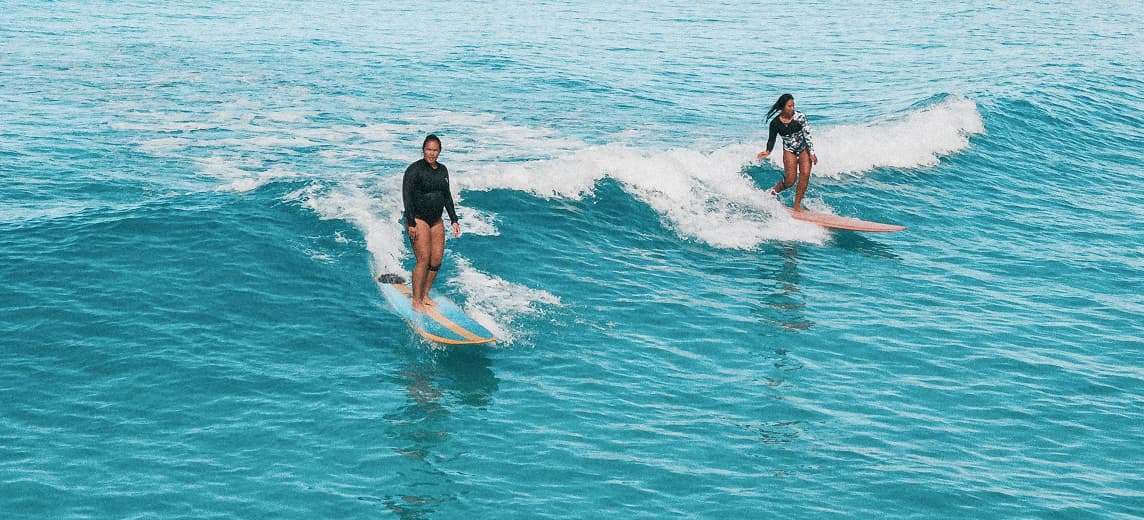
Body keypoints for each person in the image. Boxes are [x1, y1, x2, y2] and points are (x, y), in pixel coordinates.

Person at [402, 134, 461, 313]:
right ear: (423, 150)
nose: (432, 153)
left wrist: (454, 219)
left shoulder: (443, 170)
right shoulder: (414, 170)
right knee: (423, 260)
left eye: (435, 150)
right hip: (418, 219)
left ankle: (425, 294)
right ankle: (416, 301)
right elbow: (407, 196)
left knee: (435, 261)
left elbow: (447, 196)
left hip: (436, 220)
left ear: (440, 151)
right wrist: (411, 222)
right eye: (429, 149)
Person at [757, 93, 817, 212]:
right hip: (789, 150)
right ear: (782, 107)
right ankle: (773, 193)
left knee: (805, 174)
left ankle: (797, 205)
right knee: (790, 181)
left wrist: (811, 152)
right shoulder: (775, 123)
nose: (792, 108)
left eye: (793, 105)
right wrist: (768, 151)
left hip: (803, 147)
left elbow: (807, 134)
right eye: (789, 106)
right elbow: (771, 139)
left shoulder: (800, 117)